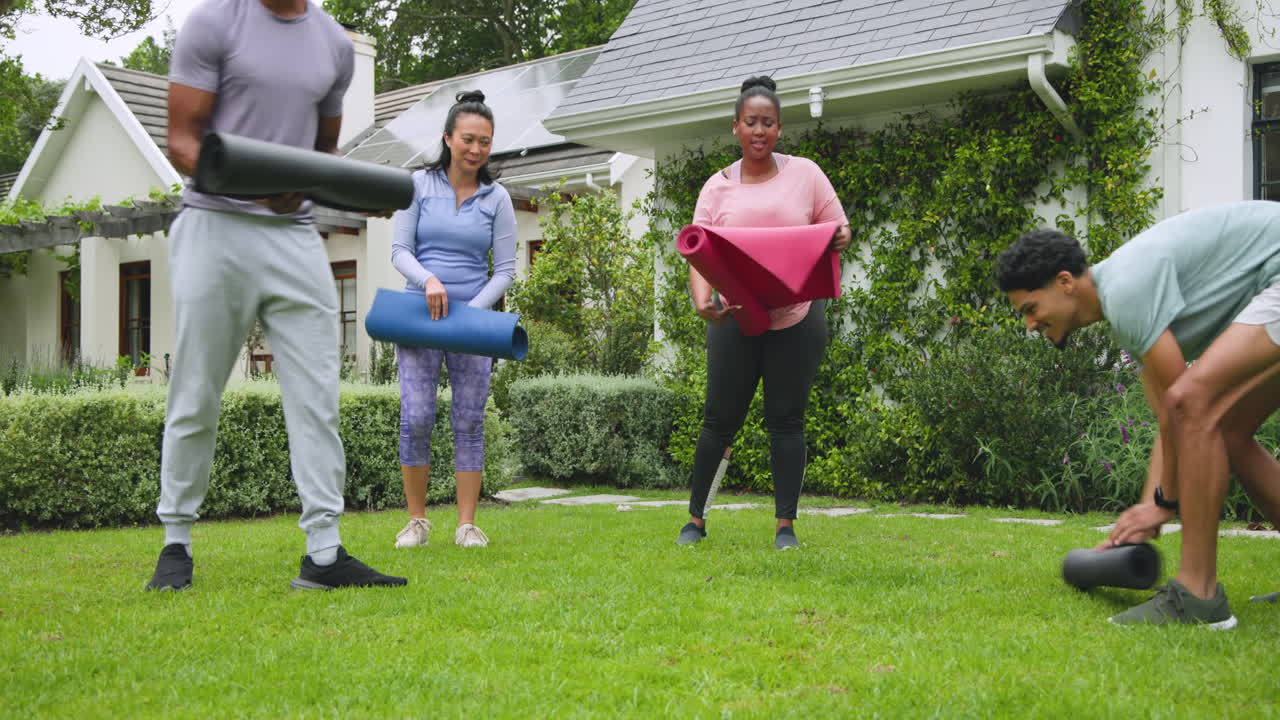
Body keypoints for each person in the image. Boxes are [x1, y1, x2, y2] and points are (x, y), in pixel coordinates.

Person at [147, 0, 406, 591]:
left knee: (317, 395)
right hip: (214, 224)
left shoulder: (333, 46)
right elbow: (184, 140)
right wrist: (257, 189)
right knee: (196, 391)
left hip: (294, 235)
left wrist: (358, 191)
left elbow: (321, 155)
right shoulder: (214, 23)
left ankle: (323, 554)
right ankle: (176, 544)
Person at [996, 201, 1280, 627]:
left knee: (1196, 402)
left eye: (1031, 309)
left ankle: (1197, 597)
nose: (1030, 325)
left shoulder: (1125, 289)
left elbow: (1184, 406)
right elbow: (1172, 420)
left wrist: (1163, 505)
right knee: (1228, 430)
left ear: (1065, 282)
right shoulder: (1128, 306)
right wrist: (1150, 507)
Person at [677, 76, 852, 550]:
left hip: (795, 319)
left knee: (787, 422)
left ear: (779, 128)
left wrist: (840, 236)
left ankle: (785, 528)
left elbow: (838, 228)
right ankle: (695, 520)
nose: (760, 130)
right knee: (719, 421)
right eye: (751, 122)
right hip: (735, 320)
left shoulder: (807, 174)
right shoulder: (717, 187)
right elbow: (699, 249)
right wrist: (701, 301)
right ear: (735, 127)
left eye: (768, 123)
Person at [388, 91, 516, 550]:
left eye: (485, 141)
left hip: (472, 322)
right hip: (418, 316)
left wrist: (472, 313)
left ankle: (466, 524)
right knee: (417, 416)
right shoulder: (418, 185)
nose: (477, 149)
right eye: (468, 139)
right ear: (448, 138)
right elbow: (400, 251)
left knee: (468, 419)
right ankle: (417, 521)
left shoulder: (496, 197)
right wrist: (429, 281)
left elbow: (504, 270)